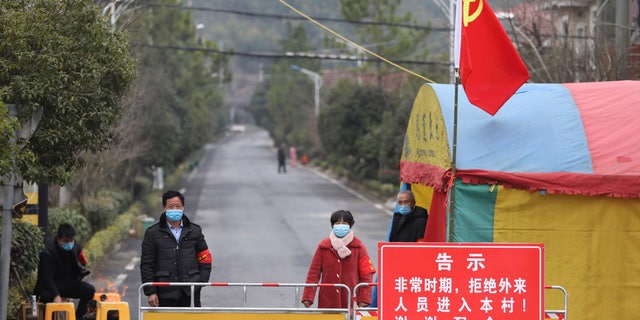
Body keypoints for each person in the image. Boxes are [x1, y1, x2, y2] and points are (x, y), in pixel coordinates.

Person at [140, 190, 212, 307]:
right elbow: (147, 264)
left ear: (183, 207)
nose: (175, 209)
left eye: (178, 206)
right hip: (164, 293)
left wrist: (200, 281)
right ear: (164, 208)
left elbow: (205, 257)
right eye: (171, 206)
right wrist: (151, 292)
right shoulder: (152, 233)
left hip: (190, 292)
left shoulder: (194, 231)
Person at [302, 210, 376, 309]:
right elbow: (313, 273)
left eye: (344, 223)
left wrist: (364, 298)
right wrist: (308, 297)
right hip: (328, 299)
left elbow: (366, 274)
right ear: (332, 225)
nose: (341, 226)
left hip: (351, 299)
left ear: (350, 225)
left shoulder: (358, 247)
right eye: (338, 223)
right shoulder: (324, 247)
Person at [371, 189, 429, 307]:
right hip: (395, 265)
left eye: (406, 202)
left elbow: (421, 246)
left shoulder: (420, 221)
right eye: (400, 202)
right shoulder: (397, 218)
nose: (403, 205)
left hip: (411, 267)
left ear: (413, 203)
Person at [33, 223, 95, 320]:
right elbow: (46, 278)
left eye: (71, 240)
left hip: (67, 282)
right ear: (58, 239)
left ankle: (78, 317)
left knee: (89, 290)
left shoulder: (74, 247)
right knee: (46, 297)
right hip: (50, 286)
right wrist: (56, 295)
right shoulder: (48, 252)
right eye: (66, 241)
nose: (69, 243)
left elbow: (80, 263)